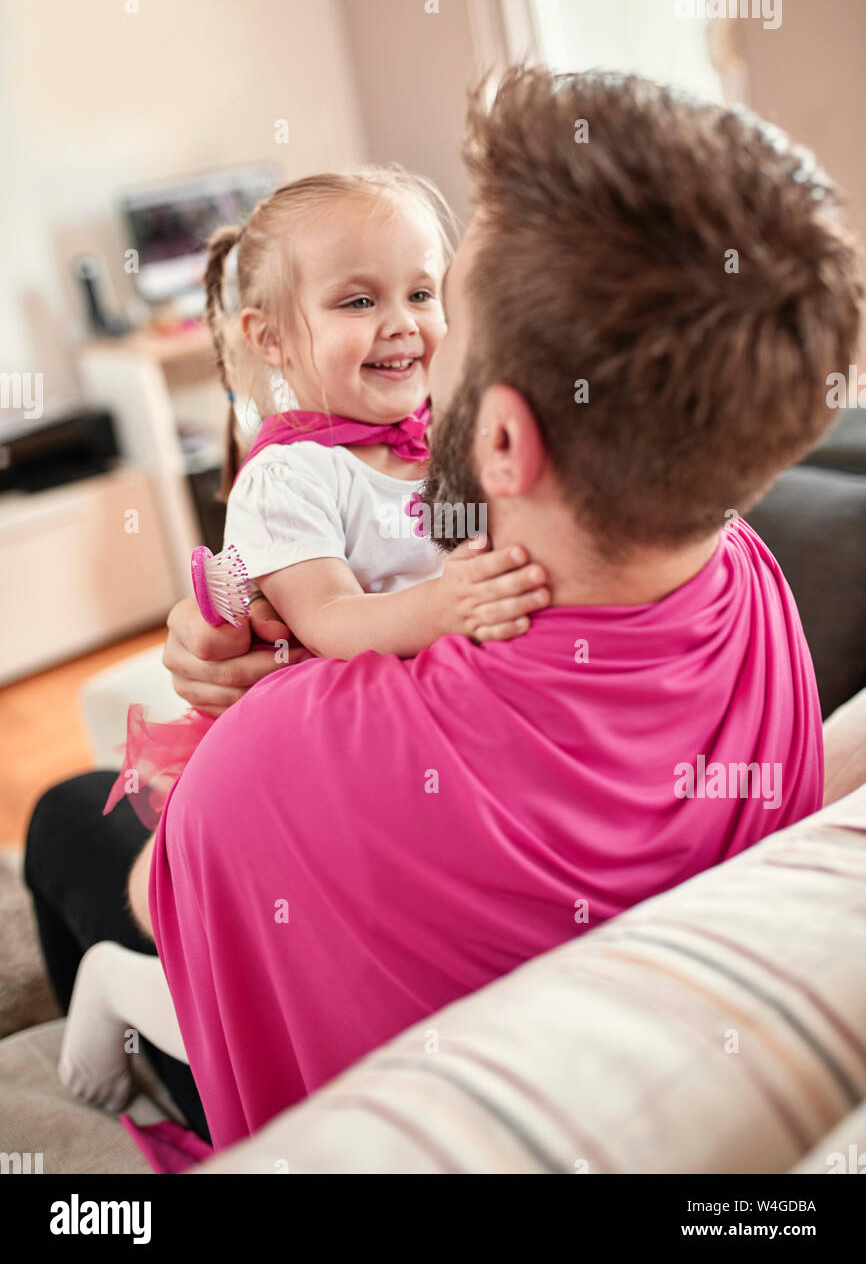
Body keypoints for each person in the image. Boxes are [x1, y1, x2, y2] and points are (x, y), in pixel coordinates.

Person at [27, 67, 863, 1156]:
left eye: (441, 304)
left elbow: (176, 898)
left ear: (506, 440)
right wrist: (251, 615)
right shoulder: (747, 587)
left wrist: (257, 706)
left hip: (277, 967)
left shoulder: (279, 757)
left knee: (63, 823)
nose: (414, 340)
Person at [55, 165, 550, 1119]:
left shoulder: (452, 430)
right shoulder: (288, 481)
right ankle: (116, 989)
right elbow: (334, 624)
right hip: (315, 770)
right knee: (257, 995)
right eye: (358, 300)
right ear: (270, 337)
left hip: (415, 766)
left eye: (420, 291)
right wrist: (460, 599)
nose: (403, 321)